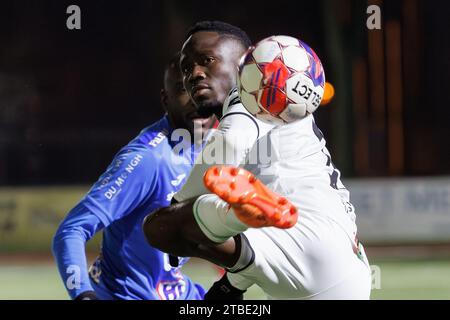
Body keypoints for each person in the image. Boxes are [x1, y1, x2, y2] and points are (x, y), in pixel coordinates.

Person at [143, 21, 372, 300]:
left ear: (244, 62)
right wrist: (232, 286)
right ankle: (237, 215)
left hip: (304, 244)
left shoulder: (254, 91)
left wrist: (178, 207)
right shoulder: (281, 103)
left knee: (159, 227)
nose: (194, 74)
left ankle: (235, 213)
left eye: (207, 60)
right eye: (187, 67)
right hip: (341, 263)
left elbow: (230, 142)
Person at [52, 52, 216, 300]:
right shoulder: (148, 159)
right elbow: (71, 230)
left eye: (204, 89)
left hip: (179, 292)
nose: (197, 100)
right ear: (166, 99)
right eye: (184, 90)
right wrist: (83, 295)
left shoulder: (216, 144)